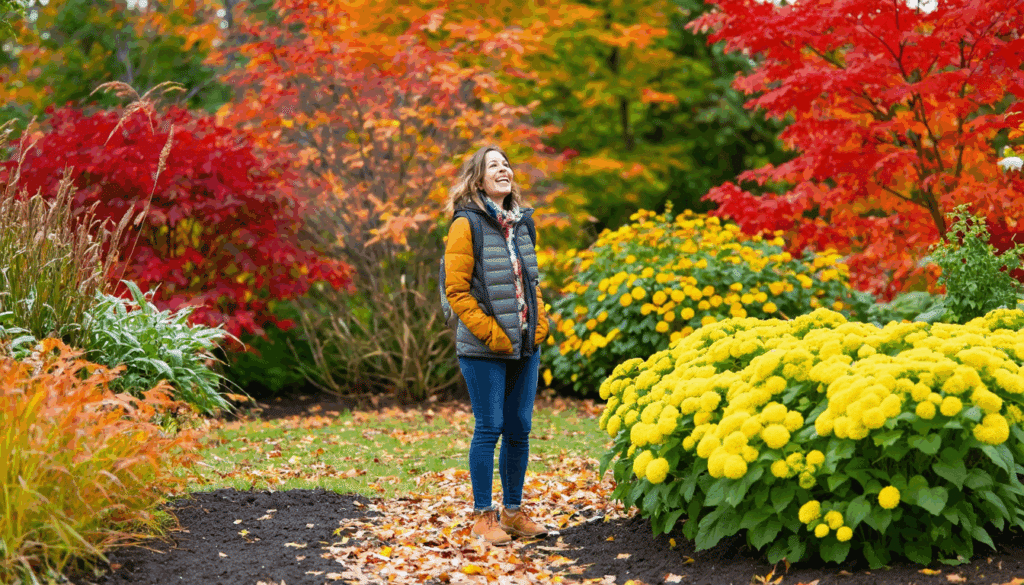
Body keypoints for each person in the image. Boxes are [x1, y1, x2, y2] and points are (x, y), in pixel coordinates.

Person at [443, 145, 552, 545]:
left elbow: (531, 282)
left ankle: (512, 512)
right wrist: (492, 333)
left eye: (506, 164)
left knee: (519, 428)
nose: (504, 169)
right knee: (490, 427)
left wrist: (540, 323)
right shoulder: (466, 223)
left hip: (524, 344)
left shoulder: (523, 223)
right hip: (483, 347)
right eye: (494, 165)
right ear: (478, 178)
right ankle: (482, 516)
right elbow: (456, 291)